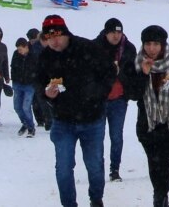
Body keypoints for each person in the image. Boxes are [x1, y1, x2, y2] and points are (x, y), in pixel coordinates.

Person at [37, 14, 117, 207]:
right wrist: (47, 93)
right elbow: (38, 82)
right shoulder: (45, 57)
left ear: (65, 33)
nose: (54, 41)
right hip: (63, 120)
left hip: (92, 118)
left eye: (57, 36)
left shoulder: (87, 47)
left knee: (95, 165)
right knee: (63, 168)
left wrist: (98, 94)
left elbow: (110, 71)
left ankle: (96, 200)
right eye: (49, 38)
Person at [121, 25, 169, 207]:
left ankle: (161, 197)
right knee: (154, 163)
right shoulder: (135, 64)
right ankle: (159, 196)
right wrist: (144, 75)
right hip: (148, 124)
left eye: (156, 44)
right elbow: (132, 94)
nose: (152, 48)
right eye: (148, 44)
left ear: (163, 45)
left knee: (166, 161)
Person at [96, 18, 135, 182]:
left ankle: (114, 169)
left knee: (116, 136)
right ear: (106, 33)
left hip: (119, 99)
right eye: (113, 32)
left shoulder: (128, 49)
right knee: (97, 136)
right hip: (99, 99)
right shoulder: (95, 47)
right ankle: (97, 169)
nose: (116, 36)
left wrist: (120, 73)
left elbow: (133, 73)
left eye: (119, 32)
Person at [11, 36, 38, 136]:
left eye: (20, 49)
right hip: (18, 84)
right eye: (18, 50)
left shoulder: (33, 55)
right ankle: (25, 123)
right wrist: (14, 79)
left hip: (29, 85)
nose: (19, 52)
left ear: (26, 47)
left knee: (26, 107)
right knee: (17, 107)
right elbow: (13, 68)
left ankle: (31, 127)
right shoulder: (16, 54)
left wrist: (33, 80)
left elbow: (37, 70)